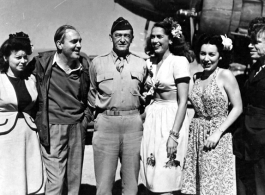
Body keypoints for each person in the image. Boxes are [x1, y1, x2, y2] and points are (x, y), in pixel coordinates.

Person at [29, 25, 92, 195]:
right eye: (74, 41)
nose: (79, 45)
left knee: (73, 182)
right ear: (59, 44)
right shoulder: (42, 63)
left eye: (80, 41)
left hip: (77, 127)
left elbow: (91, 94)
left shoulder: (84, 65)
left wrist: (85, 119)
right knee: (55, 182)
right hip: (53, 128)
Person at [88, 17, 147, 195]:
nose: (122, 39)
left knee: (131, 185)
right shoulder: (97, 63)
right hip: (106, 123)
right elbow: (91, 92)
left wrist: (138, 116)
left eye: (126, 36)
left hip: (133, 125)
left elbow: (146, 93)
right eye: (118, 35)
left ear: (132, 38)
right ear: (111, 37)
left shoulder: (141, 63)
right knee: (104, 184)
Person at [181, 34, 242, 195]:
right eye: (203, 54)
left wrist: (217, 133)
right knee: (196, 185)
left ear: (220, 56)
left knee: (214, 186)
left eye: (211, 54)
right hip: (196, 135)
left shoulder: (225, 75)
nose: (206, 59)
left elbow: (237, 107)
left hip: (218, 136)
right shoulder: (197, 77)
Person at [140, 17, 194, 194]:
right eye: (153, 37)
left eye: (159, 37)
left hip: (171, 119)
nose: (155, 40)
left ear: (170, 39)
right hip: (153, 119)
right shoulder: (151, 63)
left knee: (167, 178)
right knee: (153, 176)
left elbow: (183, 102)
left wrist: (174, 135)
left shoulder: (179, 62)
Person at [0, 32, 44, 194]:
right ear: (5, 58)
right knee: (8, 179)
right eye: (17, 58)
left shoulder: (30, 79)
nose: (23, 61)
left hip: (28, 135)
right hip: (4, 138)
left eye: (25, 57)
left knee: (28, 177)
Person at [233, 17, 265, 195]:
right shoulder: (255, 68)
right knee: (246, 188)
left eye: (256, 42)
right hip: (246, 139)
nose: (250, 46)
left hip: (262, 140)